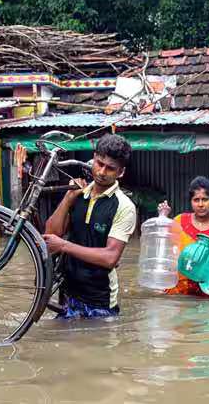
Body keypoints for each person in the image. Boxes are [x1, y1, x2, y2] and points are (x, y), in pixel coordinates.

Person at [43, 134, 136, 318]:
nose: (101, 172)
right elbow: (51, 234)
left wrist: (64, 246)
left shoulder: (124, 207)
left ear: (121, 172)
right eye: (99, 163)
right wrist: (68, 199)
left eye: (110, 168)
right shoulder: (77, 194)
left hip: (100, 302)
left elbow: (110, 257)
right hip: (68, 296)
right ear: (93, 158)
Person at [158, 176, 209, 297]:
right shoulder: (179, 221)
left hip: (207, 291)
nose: (200, 204)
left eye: (205, 199)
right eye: (196, 200)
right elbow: (162, 248)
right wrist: (163, 218)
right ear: (191, 201)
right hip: (177, 291)